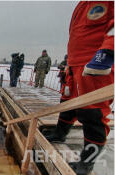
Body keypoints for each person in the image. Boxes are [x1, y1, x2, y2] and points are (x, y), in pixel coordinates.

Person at [44, 2, 114, 175]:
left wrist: (108, 52)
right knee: (68, 104)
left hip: (94, 66)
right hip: (75, 65)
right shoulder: (84, 4)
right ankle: (60, 133)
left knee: (92, 112)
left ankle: (86, 162)